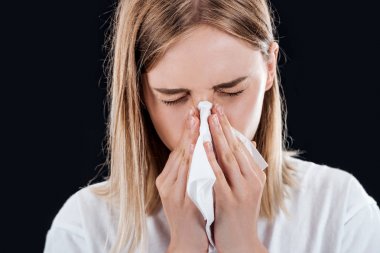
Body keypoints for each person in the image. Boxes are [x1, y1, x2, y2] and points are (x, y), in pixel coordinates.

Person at [43, 0, 380, 252]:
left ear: (269, 67)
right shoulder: (86, 228)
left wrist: (243, 244)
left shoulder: (339, 210)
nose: (205, 124)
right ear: (140, 92)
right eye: (174, 98)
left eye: (231, 90)